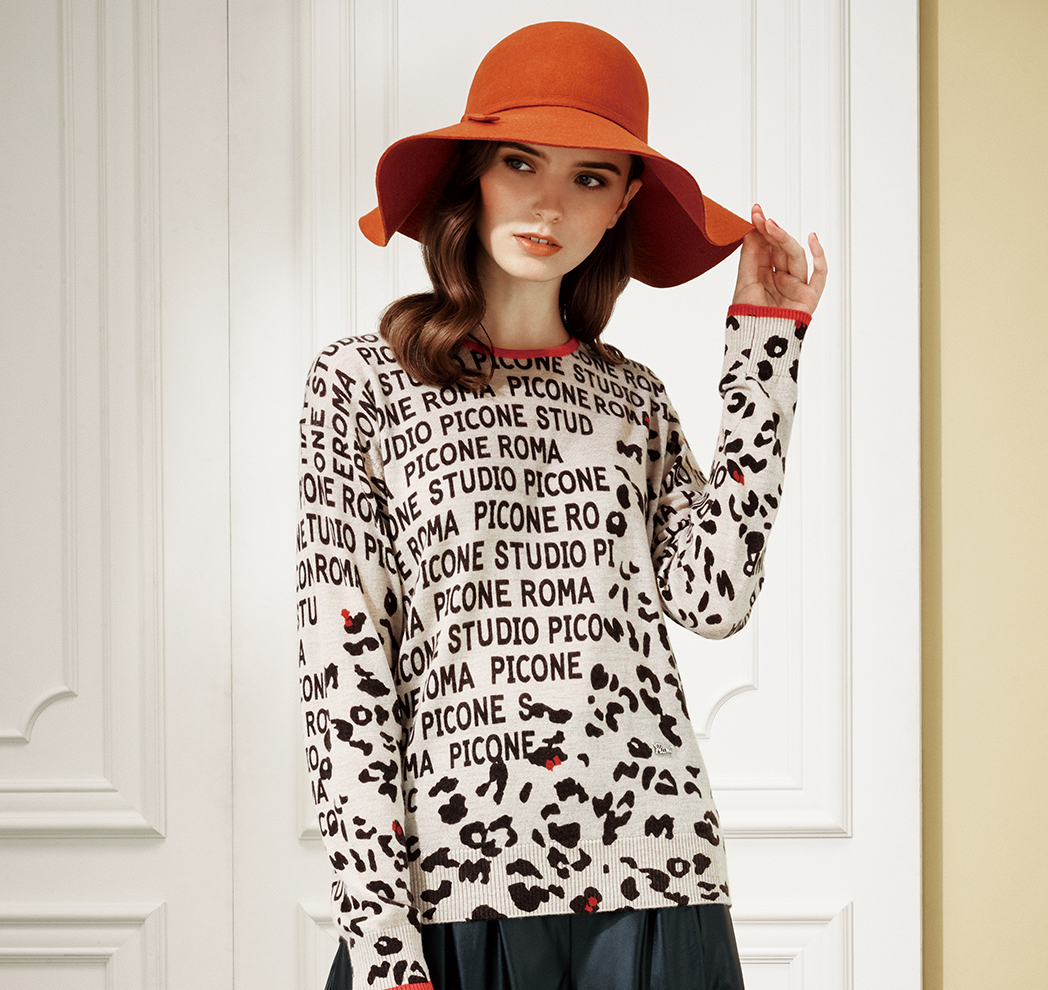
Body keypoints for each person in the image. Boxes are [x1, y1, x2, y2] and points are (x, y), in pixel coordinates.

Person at [298, 21, 827, 990]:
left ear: (622, 203)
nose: (549, 203)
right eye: (520, 163)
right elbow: (344, 683)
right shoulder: (362, 384)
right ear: (474, 175)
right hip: (456, 889)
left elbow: (711, 599)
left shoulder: (630, 399)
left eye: (589, 177)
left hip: (653, 872)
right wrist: (381, 944)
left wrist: (767, 343)